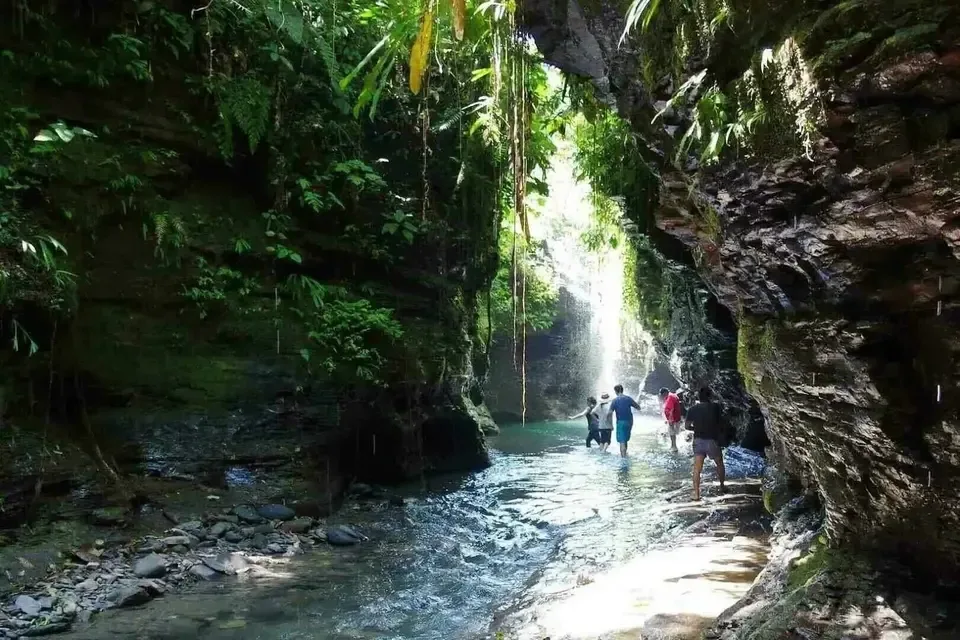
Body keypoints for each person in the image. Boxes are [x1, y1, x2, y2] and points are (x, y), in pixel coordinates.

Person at [684, 386, 726, 501]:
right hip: (712, 440)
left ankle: (697, 494)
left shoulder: (692, 409)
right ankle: (722, 486)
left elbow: (687, 426)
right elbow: (721, 423)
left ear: (698, 397)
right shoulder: (716, 407)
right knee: (719, 463)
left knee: (697, 468)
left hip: (698, 441)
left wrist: (696, 428)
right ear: (710, 396)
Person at [609, 384, 641, 458]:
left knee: (622, 441)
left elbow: (609, 413)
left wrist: (609, 423)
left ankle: (623, 459)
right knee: (625, 438)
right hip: (630, 421)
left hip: (621, 422)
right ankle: (625, 453)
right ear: (622, 390)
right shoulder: (628, 398)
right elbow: (638, 407)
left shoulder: (615, 400)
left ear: (616, 391)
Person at [658, 387, 683, 452]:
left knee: (672, 432)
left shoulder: (670, 398)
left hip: (673, 418)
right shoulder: (673, 395)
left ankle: (674, 446)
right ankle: (674, 445)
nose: (661, 396)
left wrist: (670, 419)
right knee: (673, 432)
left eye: (662, 394)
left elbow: (670, 409)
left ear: (665, 393)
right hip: (677, 417)